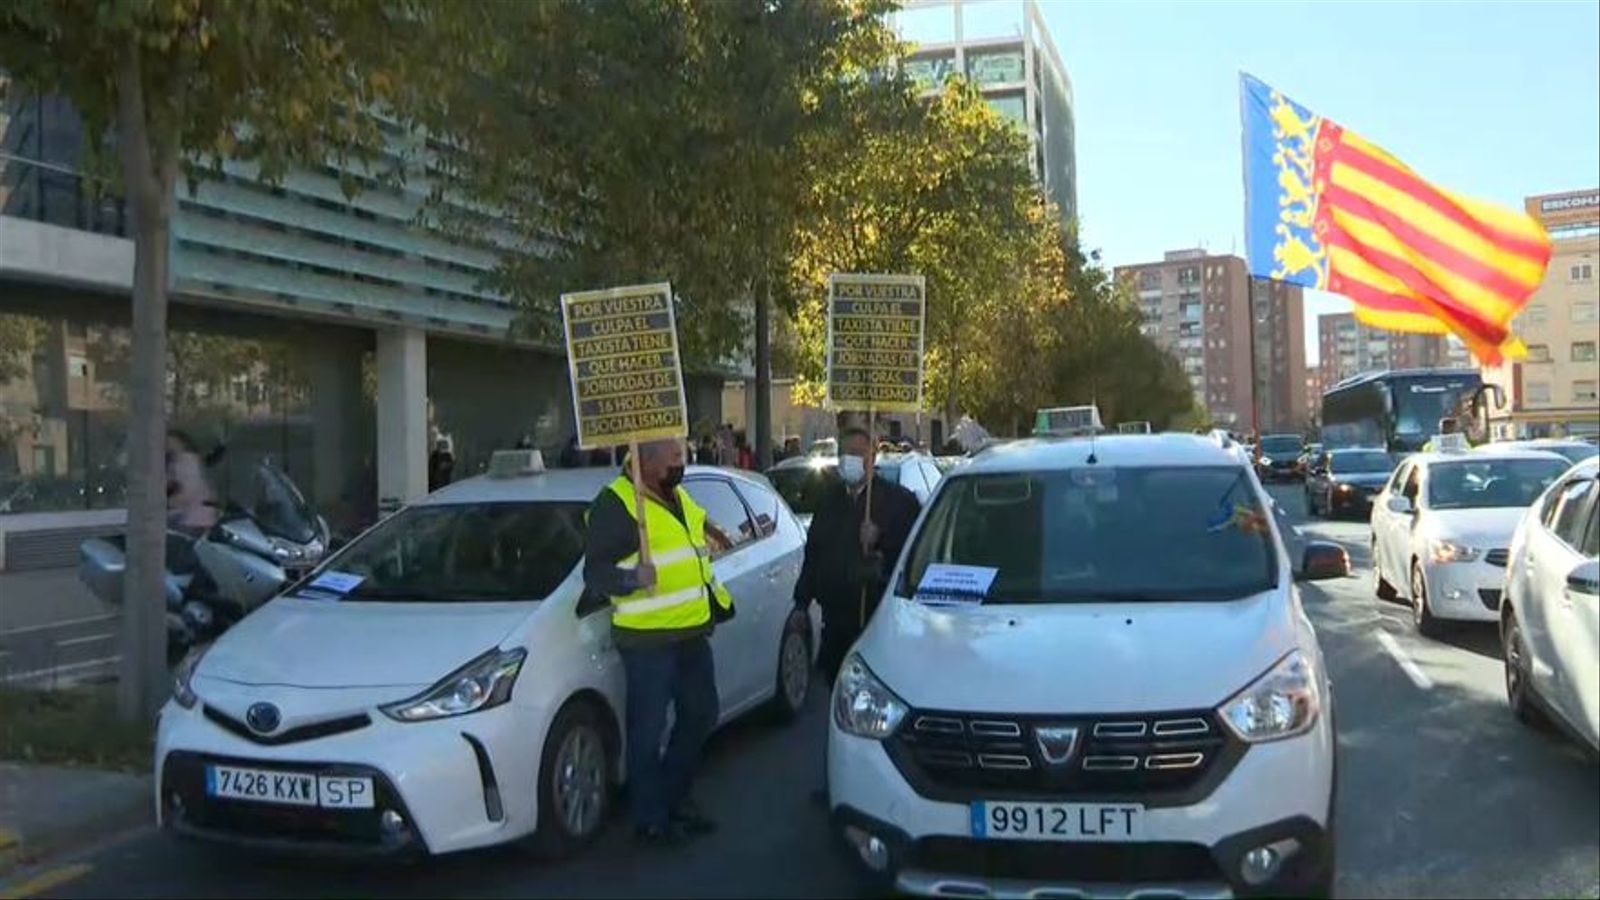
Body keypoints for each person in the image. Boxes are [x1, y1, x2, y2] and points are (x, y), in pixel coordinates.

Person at [583, 439, 735, 846]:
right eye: (673, 460)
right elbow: (595, 573)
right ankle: (650, 818)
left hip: (690, 633)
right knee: (647, 732)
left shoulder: (676, 495)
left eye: (680, 458)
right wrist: (633, 579)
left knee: (701, 715)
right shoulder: (616, 504)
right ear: (646, 463)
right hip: (648, 640)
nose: (680, 466)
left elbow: (692, 553)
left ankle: (673, 798)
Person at [793, 427, 920, 682]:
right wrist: (801, 603)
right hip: (835, 618)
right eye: (844, 453)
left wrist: (880, 540)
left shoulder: (898, 501)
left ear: (872, 458)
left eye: (856, 453)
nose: (848, 460)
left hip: (875, 617)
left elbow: (913, 555)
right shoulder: (829, 500)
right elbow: (814, 552)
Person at [165, 430, 219, 530]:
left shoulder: (186, 461)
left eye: (168, 442)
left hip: (195, 516)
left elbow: (189, 492)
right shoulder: (181, 461)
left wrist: (170, 502)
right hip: (197, 513)